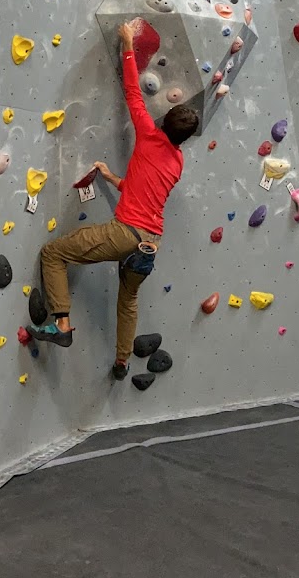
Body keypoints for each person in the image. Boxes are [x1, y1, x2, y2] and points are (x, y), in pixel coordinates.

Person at [27, 21, 199, 379]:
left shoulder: (149, 135)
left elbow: (134, 92)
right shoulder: (177, 162)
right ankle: (122, 361)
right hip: (150, 243)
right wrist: (111, 178)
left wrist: (127, 44)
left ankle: (61, 325)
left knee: (53, 253)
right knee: (129, 300)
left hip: (125, 233)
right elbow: (145, 193)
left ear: (164, 122)